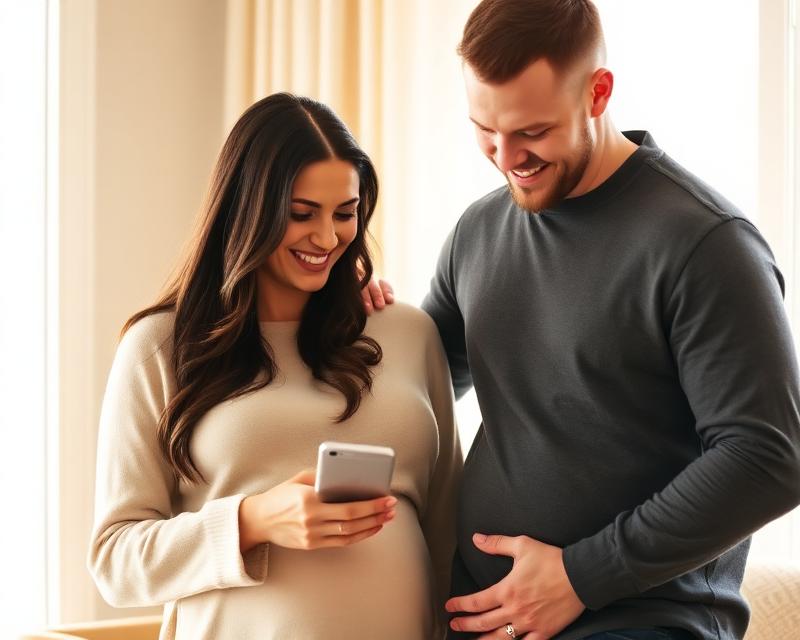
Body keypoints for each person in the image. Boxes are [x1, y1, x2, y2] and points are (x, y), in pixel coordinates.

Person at [366, 1, 800, 638]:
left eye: (532, 132)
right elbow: (419, 385)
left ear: (598, 93)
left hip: (639, 621)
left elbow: (770, 458)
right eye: (485, 128)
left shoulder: (705, 243)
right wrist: (361, 315)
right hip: (478, 619)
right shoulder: (479, 231)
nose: (505, 155)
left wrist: (581, 576)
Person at [87, 92, 461, 640]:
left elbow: (445, 523)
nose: (328, 238)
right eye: (301, 214)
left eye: (346, 212)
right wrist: (252, 520)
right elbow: (115, 562)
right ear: (247, 208)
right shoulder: (160, 347)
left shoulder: (406, 332)